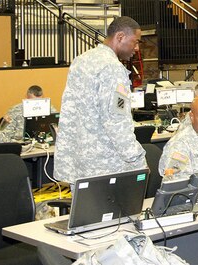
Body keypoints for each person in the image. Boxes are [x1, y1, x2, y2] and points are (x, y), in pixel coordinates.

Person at [54, 16, 147, 186]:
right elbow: (116, 121)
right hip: (107, 166)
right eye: (135, 42)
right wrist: (137, 159)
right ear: (120, 37)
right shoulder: (112, 68)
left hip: (80, 163)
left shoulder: (81, 60)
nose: (137, 48)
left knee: (85, 212)